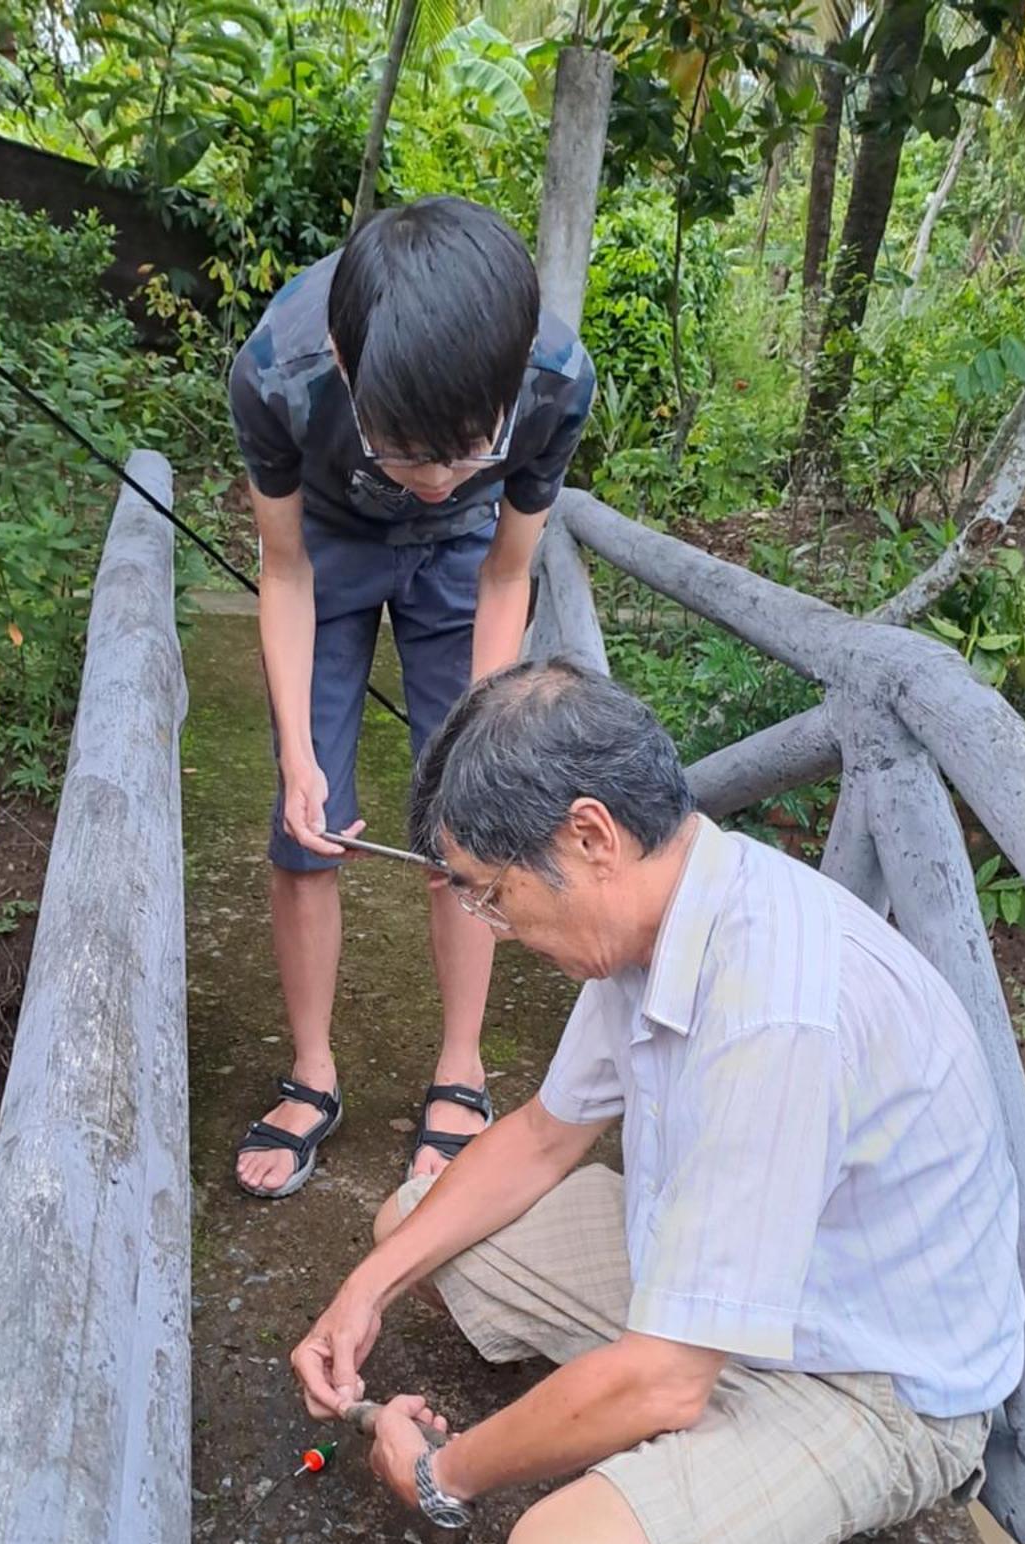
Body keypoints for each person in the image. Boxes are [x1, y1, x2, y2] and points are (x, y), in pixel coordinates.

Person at [292, 661, 1025, 1544]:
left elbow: (663, 1378)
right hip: (731, 1281)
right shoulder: (660, 913)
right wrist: (364, 1288)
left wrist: (447, 1471)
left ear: (588, 834)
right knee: (420, 1224)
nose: (489, 922)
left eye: (487, 893)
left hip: (869, 1380)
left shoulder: (773, 1007)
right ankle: (680, 1499)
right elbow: (537, 1136)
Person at [227, 198, 596, 1198]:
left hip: (467, 561)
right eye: (409, 453)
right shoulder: (281, 375)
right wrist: (302, 759)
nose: (433, 478)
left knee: (464, 826)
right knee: (307, 824)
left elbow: (506, 574)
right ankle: (312, 1072)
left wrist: (475, 751)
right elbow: (286, 568)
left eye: (464, 449)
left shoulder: (554, 382)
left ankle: (460, 1068)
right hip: (330, 545)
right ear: (350, 374)